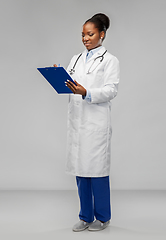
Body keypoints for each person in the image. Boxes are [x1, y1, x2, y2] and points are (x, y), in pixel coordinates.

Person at [55, 13, 119, 232]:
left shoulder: (110, 61)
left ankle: (103, 218)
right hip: (78, 122)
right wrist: (58, 76)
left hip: (95, 123)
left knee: (97, 173)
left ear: (102, 35)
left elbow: (111, 90)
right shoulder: (75, 58)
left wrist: (87, 92)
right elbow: (71, 82)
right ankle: (85, 216)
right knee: (81, 172)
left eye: (90, 34)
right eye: (83, 34)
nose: (85, 38)